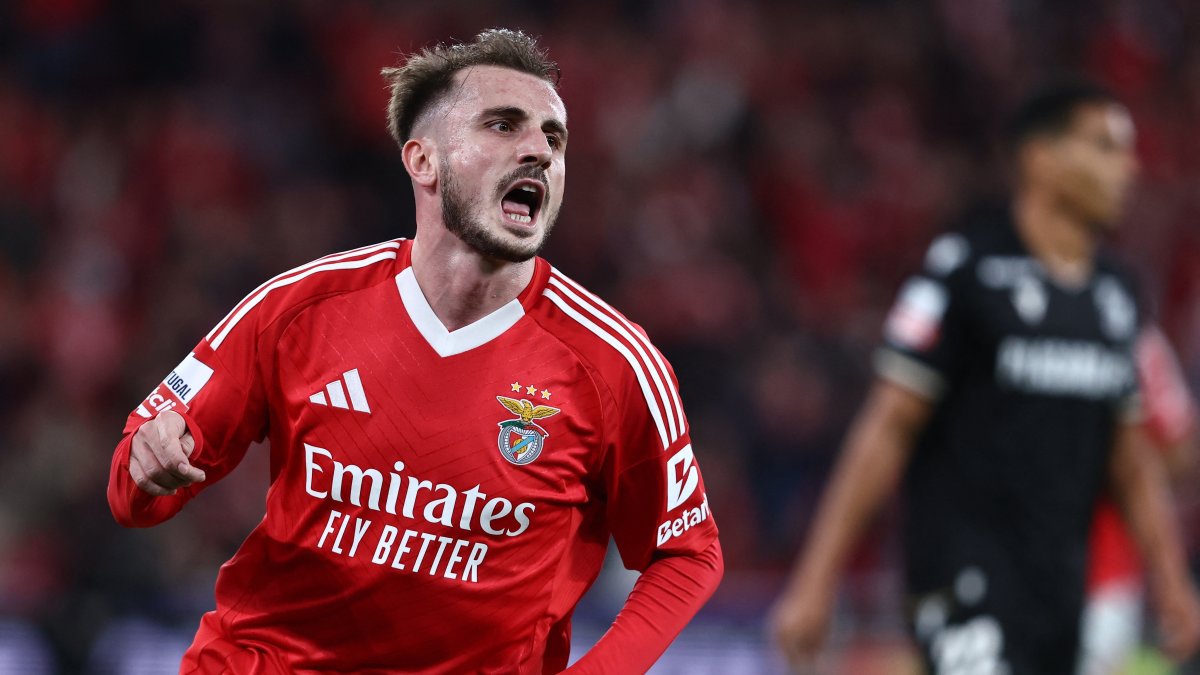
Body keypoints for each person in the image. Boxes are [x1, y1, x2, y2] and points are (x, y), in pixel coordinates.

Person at [107, 28, 722, 674]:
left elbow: (687, 552)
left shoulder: (614, 362)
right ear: (423, 160)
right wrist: (149, 464)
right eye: (503, 125)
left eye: (554, 136)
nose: (538, 150)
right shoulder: (301, 307)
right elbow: (131, 491)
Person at [769, 79, 1200, 674]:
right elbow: (887, 427)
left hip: (1059, 593)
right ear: (1041, 158)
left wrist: (1171, 581)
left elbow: (1130, 458)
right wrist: (815, 580)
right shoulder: (966, 273)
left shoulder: (1116, 296)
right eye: (1105, 146)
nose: (1129, 166)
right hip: (960, 580)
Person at [1080, 324, 1198, 675]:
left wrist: (1114, 464)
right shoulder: (983, 308)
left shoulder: (1129, 334)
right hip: (1002, 566)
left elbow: (1181, 450)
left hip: (1103, 580)